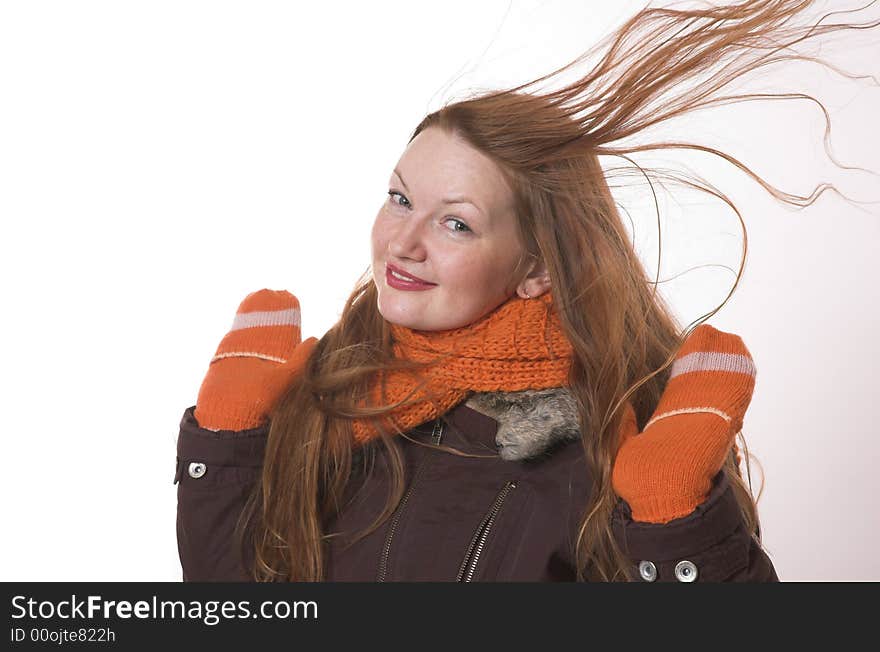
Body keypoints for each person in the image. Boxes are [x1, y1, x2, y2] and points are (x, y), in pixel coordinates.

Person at [174, 0, 876, 582]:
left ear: (537, 267)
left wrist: (677, 527)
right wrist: (226, 451)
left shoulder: (601, 446)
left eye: (456, 222)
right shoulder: (331, 395)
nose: (403, 241)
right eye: (398, 198)